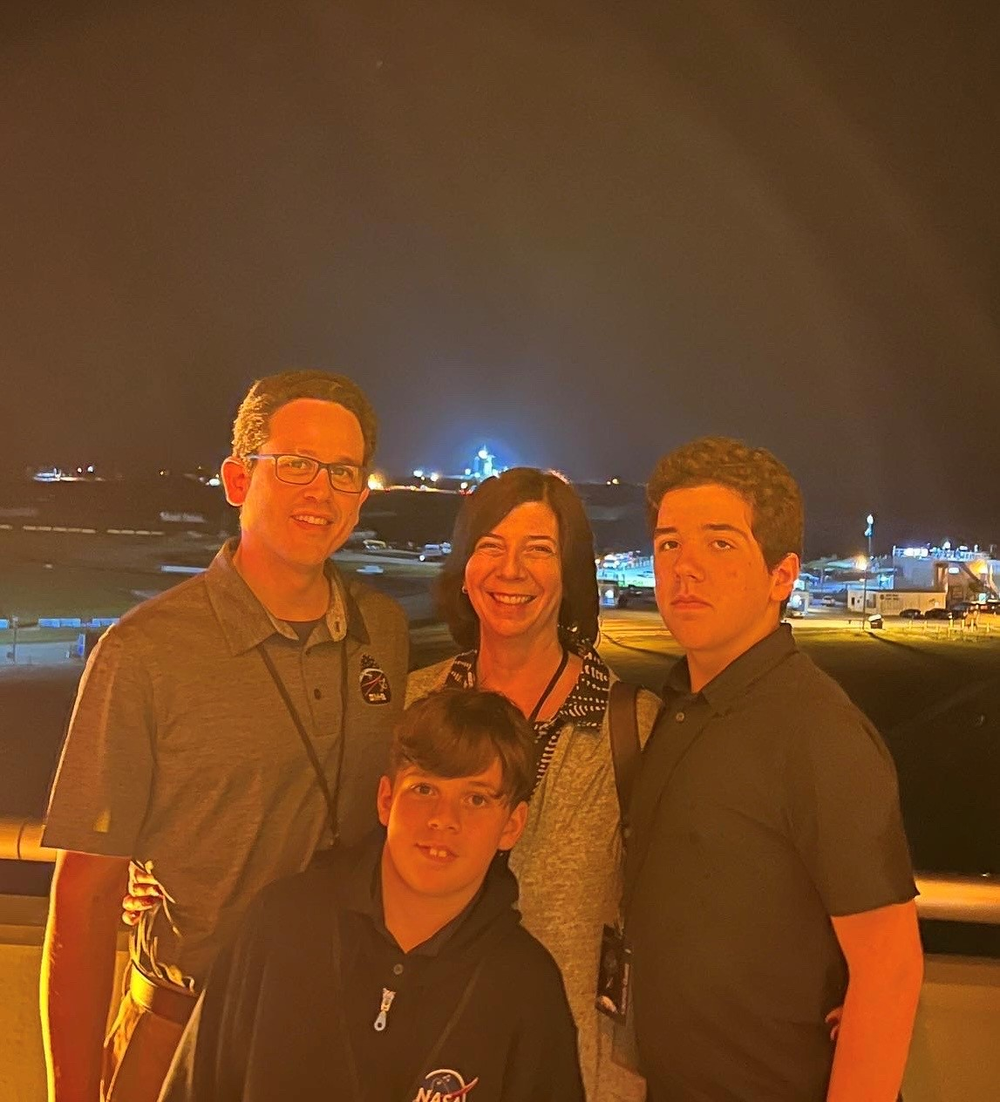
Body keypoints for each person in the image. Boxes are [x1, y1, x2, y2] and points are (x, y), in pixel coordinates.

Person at [40, 371, 409, 1102]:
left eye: (343, 472)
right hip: (186, 1036)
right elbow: (85, 896)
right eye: (296, 464)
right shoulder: (145, 651)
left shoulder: (385, 635)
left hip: (345, 1036)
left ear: (362, 496)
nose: (322, 491)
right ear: (238, 479)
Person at [624, 436, 924, 1102]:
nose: (685, 568)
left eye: (721, 543)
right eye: (669, 543)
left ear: (781, 577)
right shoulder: (681, 707)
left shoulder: (816, 731)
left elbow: (890, 969)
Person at [158, 689, 586, 1102]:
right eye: (424, 789)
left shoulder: (526, 989)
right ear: (385, 800)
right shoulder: (282, 927)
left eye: (475, 798)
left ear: (511, 825)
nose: (443, 819)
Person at [406, 468, 661, 1102]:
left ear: (571, 575)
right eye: (490, 546)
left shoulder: (630, 726)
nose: (510, 570)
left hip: (575, 1068)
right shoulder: (418, 705)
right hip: (424, 1060)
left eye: (539, 550)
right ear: (464, 567)